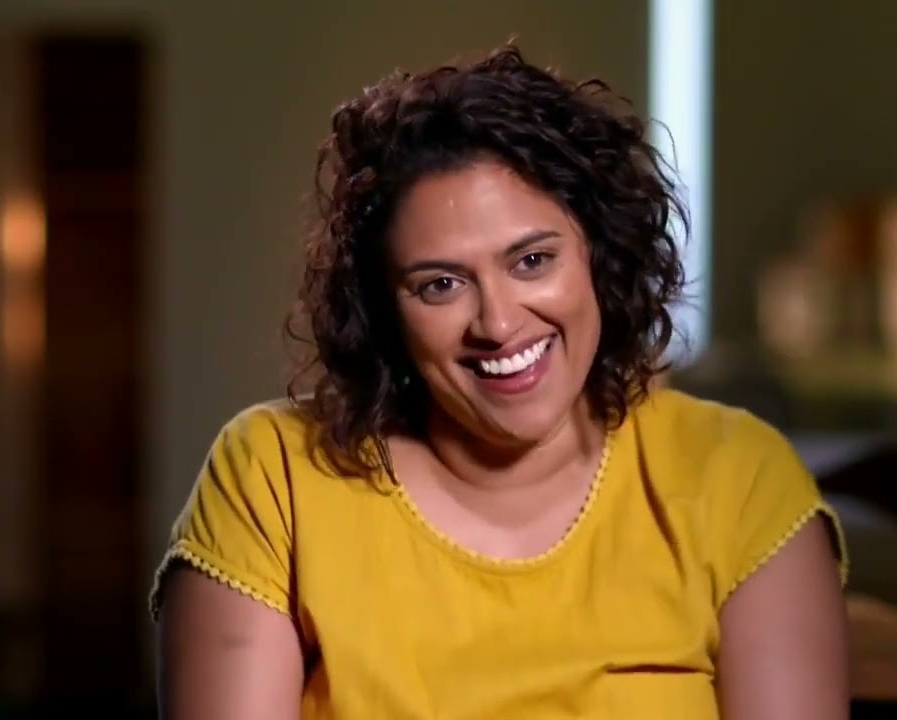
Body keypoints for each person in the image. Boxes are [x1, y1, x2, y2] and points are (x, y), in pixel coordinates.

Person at [151, 43, 850, 719]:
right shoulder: (274, 477)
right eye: (441, 284)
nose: (499, 323)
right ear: (383, 310)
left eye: (532, 262)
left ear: (600, 254)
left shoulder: (738, 480)